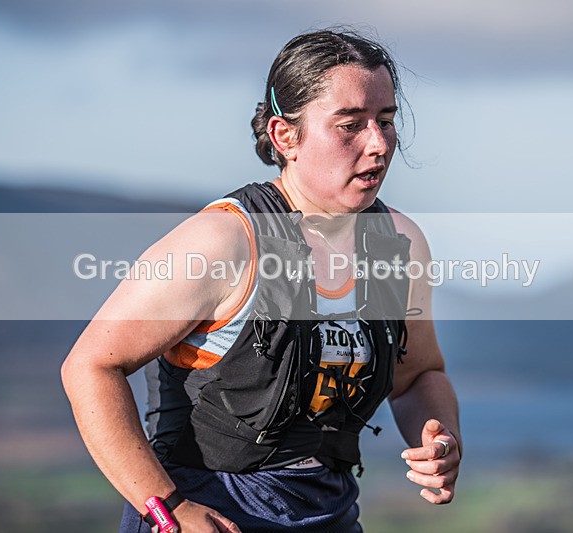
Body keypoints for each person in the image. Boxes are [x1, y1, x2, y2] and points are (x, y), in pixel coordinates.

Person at [61, 29, 461, 532]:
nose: (378, 144)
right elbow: (90, 366)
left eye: (385, 121)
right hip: (206, 511)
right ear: (284, 136)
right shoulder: (223, 241)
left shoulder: (397, 242)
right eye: (349, 125)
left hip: (330, 511)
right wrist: (166, 510)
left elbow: (420, 375)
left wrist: (440, 438)